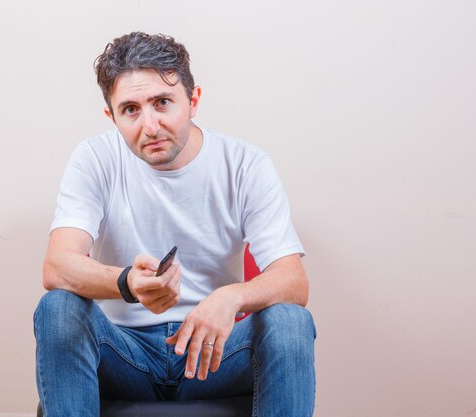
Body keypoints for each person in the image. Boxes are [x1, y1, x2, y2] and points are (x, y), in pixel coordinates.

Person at [34, 32, 316, 417]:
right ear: (112, 116)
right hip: (124, 352)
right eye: (130, 110)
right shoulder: (94, 158)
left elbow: (293, 281)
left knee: (290, 320)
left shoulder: (245, 164)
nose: (149, 126)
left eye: (162, 103)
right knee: (58, 308)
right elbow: (57, 266)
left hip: (213, 352)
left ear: (193, 101)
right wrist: (127, 282)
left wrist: (230, 297)